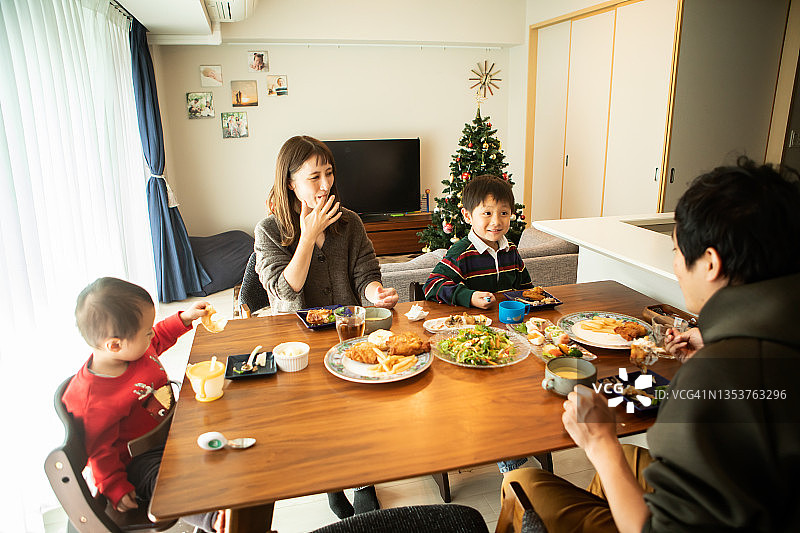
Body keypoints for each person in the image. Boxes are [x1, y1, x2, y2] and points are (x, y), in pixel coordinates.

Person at [501, 157, 800, 532]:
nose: (676, 265)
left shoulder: (718, 375)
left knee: (521, 483)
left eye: (676, 251)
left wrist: (600, 442)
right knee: (630, 458)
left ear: (710, 263)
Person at [254, 135, 398, 518]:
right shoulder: (268, 230)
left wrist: (375, 293)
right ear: (291, 182)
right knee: (320, 417)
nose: (325, 185)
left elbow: (366, 273)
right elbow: (285, 291)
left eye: (329, 174)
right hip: (297, 342)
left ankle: (364, 478)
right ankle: (333, 483)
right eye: (313, 176)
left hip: (349, 333)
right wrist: (306, 235)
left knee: (359, 409)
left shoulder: (348, 221)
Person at [62, 278, 224, 533]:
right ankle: (214, 518)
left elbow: (157, 338)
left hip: (171, 432)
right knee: (169, 484)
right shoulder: (92, 398)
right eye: (146, 331)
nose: (151, 334)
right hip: (140, 460)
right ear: (114, 345)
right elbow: (100, 451)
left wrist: (184, 319)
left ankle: (228, 494)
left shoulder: (133, 350)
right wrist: (115, 487)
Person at [424, 174, 533, 310]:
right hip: (473, 325)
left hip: (507, 322)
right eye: (487, 213)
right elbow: (431, 286)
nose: (496, 222)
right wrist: (470, 297)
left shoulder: (510, 249)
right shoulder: (461, 252)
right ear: (468, 216)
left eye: (504, 213)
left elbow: (526, 289)